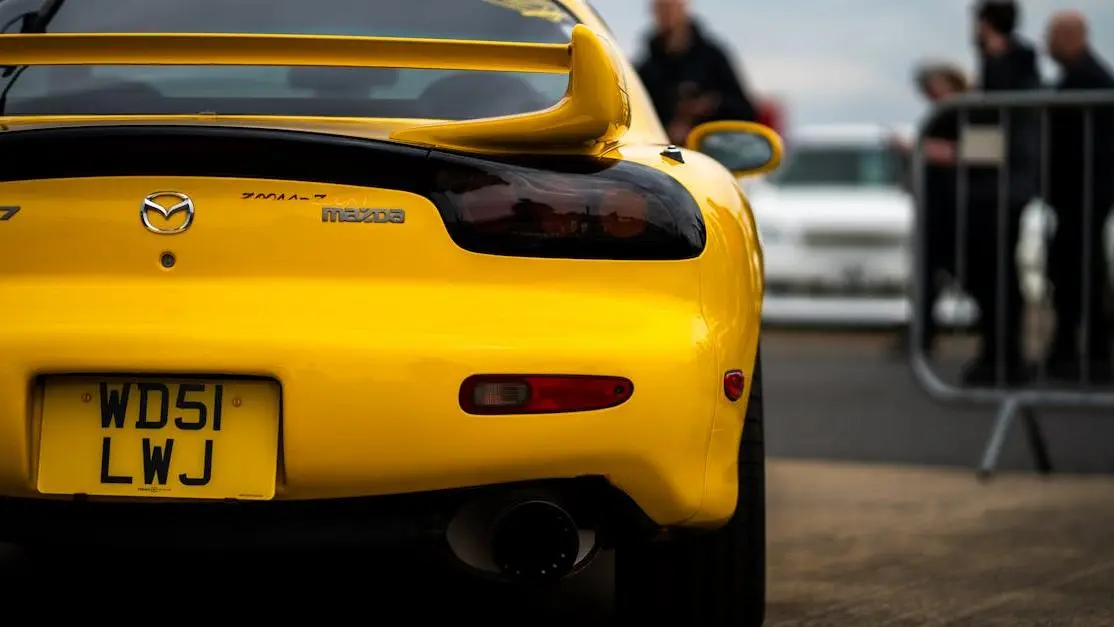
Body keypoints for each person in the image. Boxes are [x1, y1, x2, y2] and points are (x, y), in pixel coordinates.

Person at [960, 0, 1042, 385]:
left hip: (1002, 188)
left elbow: (997, 128)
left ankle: (1003, 357)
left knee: (996, 273)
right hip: (1006, 185)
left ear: (986, 24)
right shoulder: (1015, 63)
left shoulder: (1007, 64)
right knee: (996, 272)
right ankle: (1001, 354)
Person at [1044, 10, 1114, 383]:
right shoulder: (1085, 77)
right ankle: (1074, 350)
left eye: (1052, 35)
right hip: (1081, 196)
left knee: (1079, 274)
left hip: (1083, 196)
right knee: (1075, 273)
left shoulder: (1088, 80)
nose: (1047, 44)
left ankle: (1085, 353)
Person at [900, 64, 970, 357]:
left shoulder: (958, 112)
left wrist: (920, 149)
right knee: (930, 274)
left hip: (950, 204)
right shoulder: (946, 113)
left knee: (952, 270)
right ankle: (921, 334)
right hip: (939, 203)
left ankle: (923, 335)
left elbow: (967, 150)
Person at [635, 0, 758, 146]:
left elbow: (746, 111)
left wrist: (712, 105)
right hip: (661, 156)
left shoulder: (712, 59)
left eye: (671, 5)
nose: (666, 12)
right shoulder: (647, 69)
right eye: (661, 6)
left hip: (710, 154)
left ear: (684, 6)